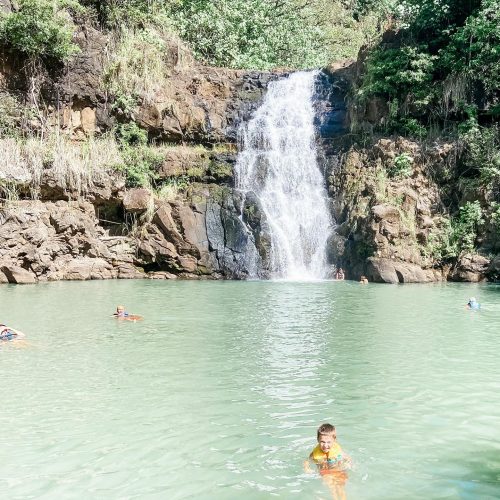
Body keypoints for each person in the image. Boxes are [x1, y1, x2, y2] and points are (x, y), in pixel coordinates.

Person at [304, 423, 352, 500]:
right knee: (332, 489)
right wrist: (306, 468)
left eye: (328, 442)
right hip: (325, 471)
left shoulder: (337, 450)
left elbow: (347, 457)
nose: (325, 445)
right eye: (322, 442)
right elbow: (307, 460)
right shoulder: (315, 452)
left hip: (338, 469)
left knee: (341, 489)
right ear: (318, 440)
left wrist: (349, 463)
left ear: (334, 440)